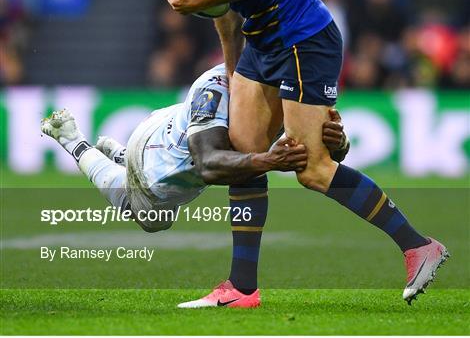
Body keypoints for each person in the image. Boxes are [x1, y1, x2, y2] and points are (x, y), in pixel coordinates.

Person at [142, 0, 449, 305]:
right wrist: (230, 70)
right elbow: (226, 10)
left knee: (312, 167)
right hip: (260, 45)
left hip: (303, 38)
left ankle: (418, 245)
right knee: (243, 160)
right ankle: (242, 287)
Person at [41, 63, 349, 307]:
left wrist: (338, 143)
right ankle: (74, 140)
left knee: (241, 163)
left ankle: (121, 156)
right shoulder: (217, 86)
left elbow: (320, 152)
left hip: (163, 130)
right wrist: (269, 161)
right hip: (157, 172)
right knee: (154, 219)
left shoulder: (277, 87)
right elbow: (209, 163)